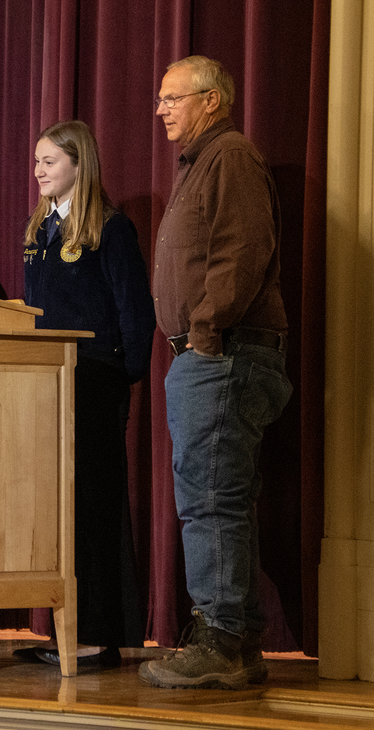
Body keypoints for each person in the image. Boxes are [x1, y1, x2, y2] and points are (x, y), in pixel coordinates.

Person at [138, 56, 292, 689]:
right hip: (211, 357)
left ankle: (222, 638)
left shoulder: (229, 157)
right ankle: (236, 639)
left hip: (222, 356)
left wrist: (203, 334)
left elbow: (240, 252)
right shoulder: (204, 161)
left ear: (211, 100)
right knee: (214, 496)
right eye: (159, 98)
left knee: (210, 499)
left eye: (173, 98)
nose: (160, 108)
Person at [16, 121, 155, 667]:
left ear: (79, 164)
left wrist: (124, 379)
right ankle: (67, 630)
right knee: (60, 510)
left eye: (49, 161)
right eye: (35, 162)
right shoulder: (38, 231)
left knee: (96, 506)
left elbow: (133, 311)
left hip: (95, 380)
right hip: (46, 381)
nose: (39, 172)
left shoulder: (110, 228)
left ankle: (102, 633)